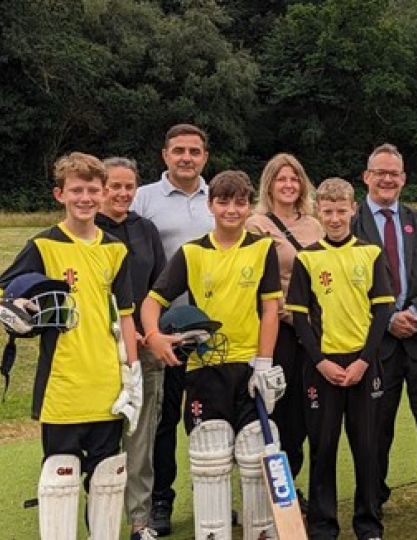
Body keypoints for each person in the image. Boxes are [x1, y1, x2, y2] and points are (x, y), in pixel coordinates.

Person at [0, 152, 139, 539]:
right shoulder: (43, 245)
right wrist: (18, 307)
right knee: (60, 478)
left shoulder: (115, 249)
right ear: (60, 194)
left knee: (108, 480)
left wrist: (132, 371)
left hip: (107, 385)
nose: (85, 198)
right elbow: (4, 293)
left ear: (103, 193)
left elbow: (126, 313)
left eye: (93, 190)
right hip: (62, 387)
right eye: (76, 190)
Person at [141, 170, 285, 539]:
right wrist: (155, 336)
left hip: (250, 366)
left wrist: (264, 363)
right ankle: (213, 532)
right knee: (210, 459)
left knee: (255, 459)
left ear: (249, 205)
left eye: (240, 202)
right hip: (205, 368)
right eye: (223, 202)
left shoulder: (262, 247)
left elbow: (270, 309)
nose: (231, 210)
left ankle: (261, 531)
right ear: (211, 205)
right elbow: (152, 301)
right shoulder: (192, 252)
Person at [285, 178, 394, 540]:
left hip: (364, 366)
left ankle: (368, 524)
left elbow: (381, 313)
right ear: (319, 212)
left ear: (353, 210)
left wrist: (364, 361)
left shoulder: (370, 253)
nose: (334, 218)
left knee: (367, 447)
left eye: (341, 211)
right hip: (322, 368)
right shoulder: (307, 257)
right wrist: (320, 362)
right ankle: (323, 526)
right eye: (327, 211)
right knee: (323, 447)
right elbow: (300, 317)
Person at [352, 143, 417, 520]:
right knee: (376, 425)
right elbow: (350, 284)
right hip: (377, 343)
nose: (387, 179)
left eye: (394, 173)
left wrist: (414, 310)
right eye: (380, 172)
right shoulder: (351, 223)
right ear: (367, 177)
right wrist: (389, 316)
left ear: (403, 178)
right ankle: (373, 492)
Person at [131, 123, 214, 536]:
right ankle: (161, 500)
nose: (186, 157)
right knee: (162, 420)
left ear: (205, 157)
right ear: (164, 155)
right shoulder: (142, 198)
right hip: (161, 332)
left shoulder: (218, 199)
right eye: (178, 150)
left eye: (194, 151)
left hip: (212, 332)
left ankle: (211, 497)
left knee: (210, 419)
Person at [245, 152, 323, 512]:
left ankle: (292, 489)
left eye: (294, 179)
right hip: (280, 330)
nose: (289, 185)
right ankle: (269, 493)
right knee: (274, 411)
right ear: (270, 184)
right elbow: (258, 282)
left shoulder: (315, 224)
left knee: (301, 416)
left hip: (313, 331)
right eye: (281, 179)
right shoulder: (257, 224)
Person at [96, 157, 167, 540]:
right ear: (100, 188)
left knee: (140, 442)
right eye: (114, 186)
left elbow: (160, 287)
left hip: (146, 352)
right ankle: (101, 523)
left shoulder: (146, 230)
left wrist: (147, 330)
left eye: (129, 187)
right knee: (103, 441)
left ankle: (139, 523)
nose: (122, 194)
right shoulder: (89, 232)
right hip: (100, 354)